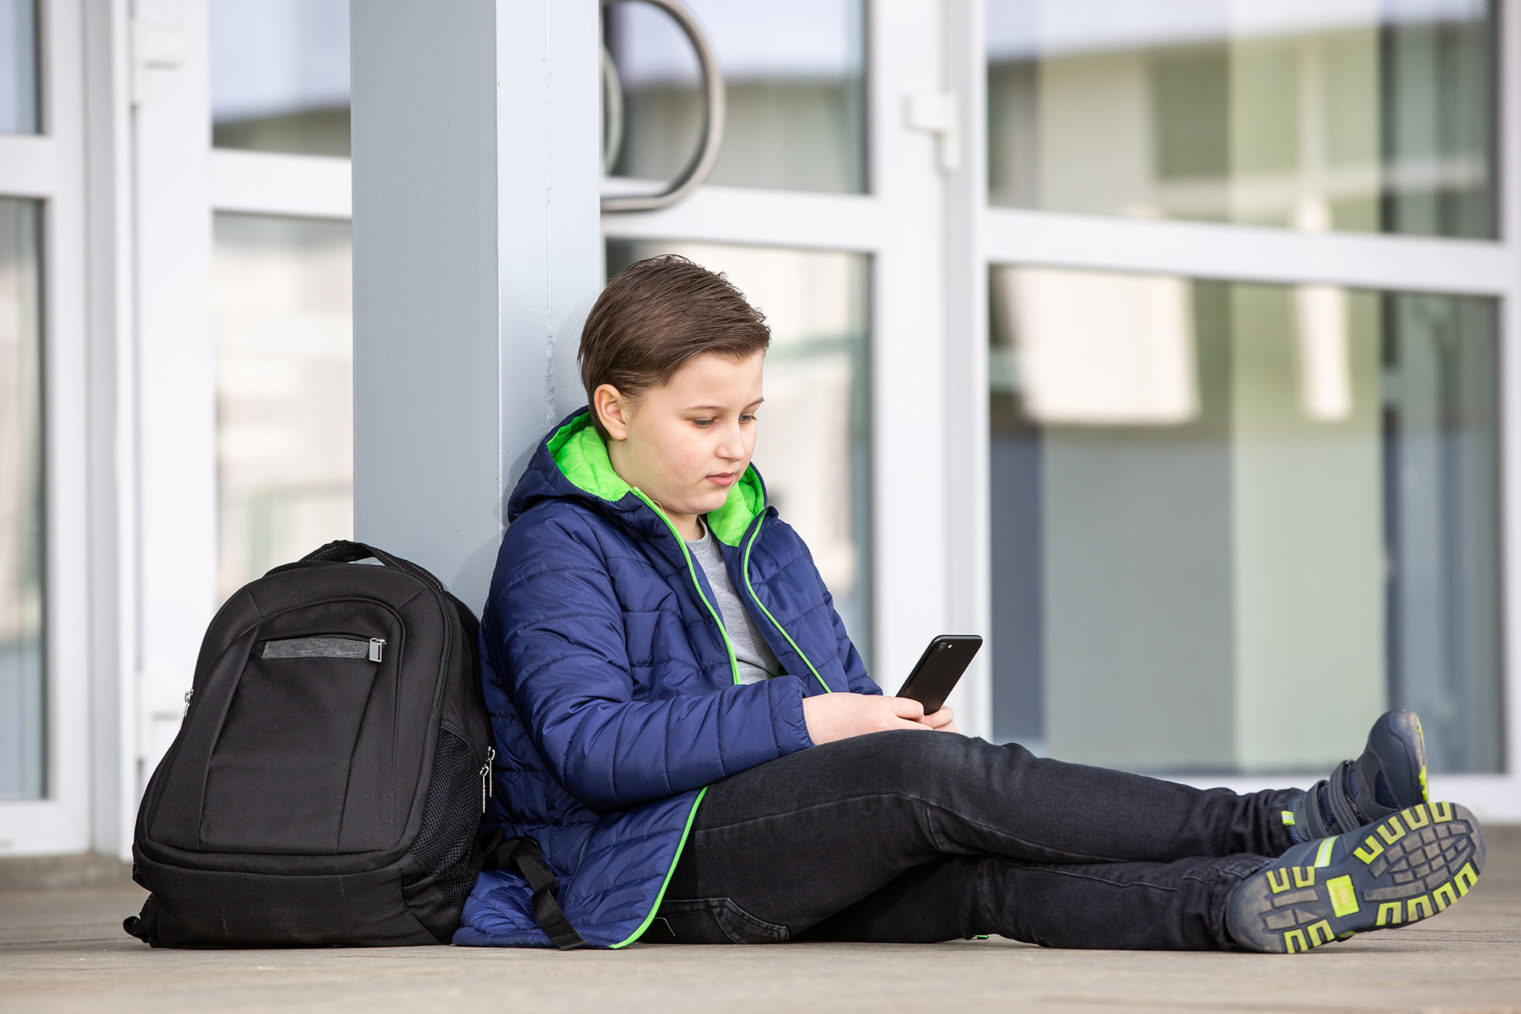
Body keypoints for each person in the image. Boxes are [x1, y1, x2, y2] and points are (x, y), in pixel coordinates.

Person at [455, 255, 1485, 953]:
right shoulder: (560, 544)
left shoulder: (757, 533)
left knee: (978, 872)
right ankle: (1287, 820)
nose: (737, 444)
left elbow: (842, 697)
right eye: (706, 418)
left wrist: (870, 716)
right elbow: (593, 748)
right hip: (643, 874)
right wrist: (832, 726)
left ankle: (1243, 904)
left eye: (752, 416)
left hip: (774, 839)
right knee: (933, 779)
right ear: (615, 410)